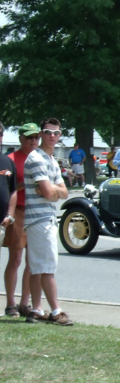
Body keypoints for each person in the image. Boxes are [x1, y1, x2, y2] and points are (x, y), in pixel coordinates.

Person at [24, 118, 71, 325]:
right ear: (41, 134)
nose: (52, 136)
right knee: (48, 267)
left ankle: (36, 309)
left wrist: (53, 191)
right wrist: (52, 191)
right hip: (40, 219)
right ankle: (55, 311)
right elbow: (48, 192)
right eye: (48, 132)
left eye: (56, 133)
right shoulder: (36, 159)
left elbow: (64, 192)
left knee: (38, 267)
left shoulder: (51, 161)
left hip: (44, 217)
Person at [1, 122, 23, 318]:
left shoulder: (7, 162)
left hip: (4, 221)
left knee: (14, 258)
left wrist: (9, 214)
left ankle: (10, 305)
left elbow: (13, 190)